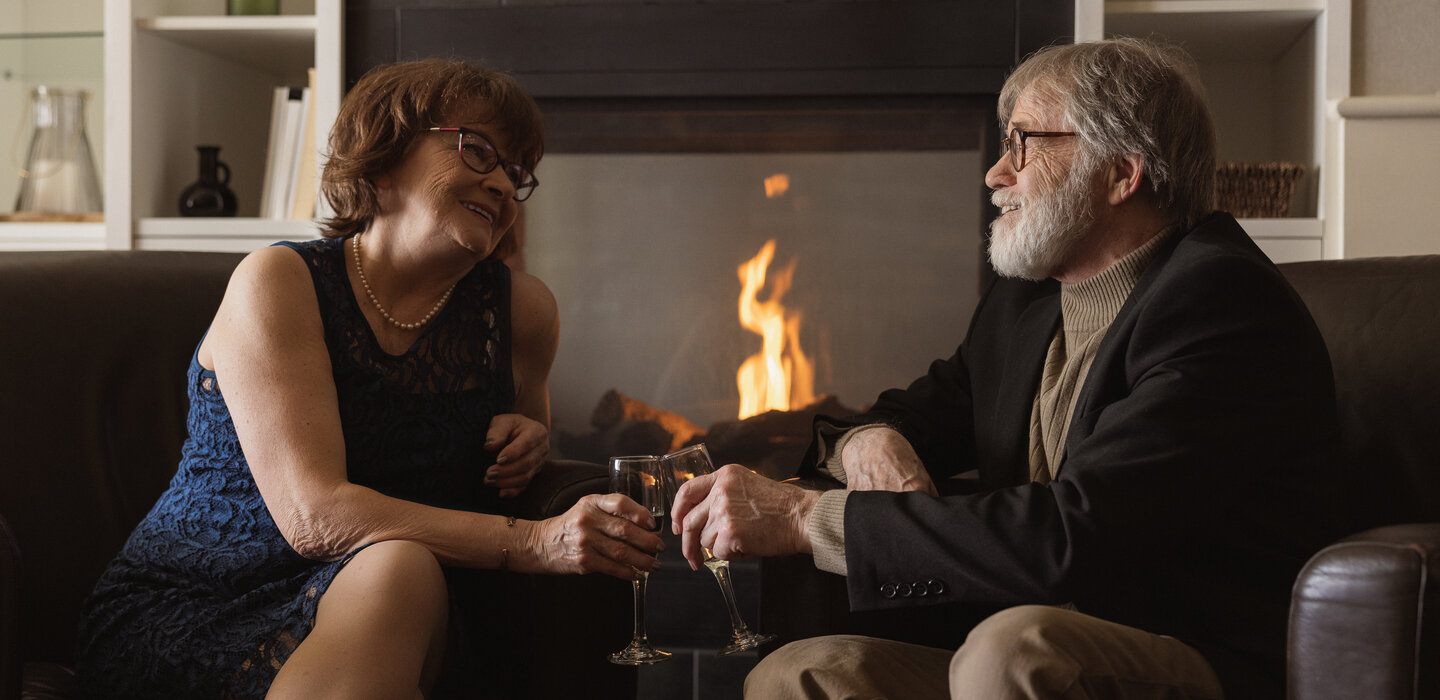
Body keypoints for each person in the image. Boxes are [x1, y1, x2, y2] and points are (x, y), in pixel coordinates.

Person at [671, 38, 1340, 700]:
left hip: (1190, 653)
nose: (996, 173)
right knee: (798, 674)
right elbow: (908, 412)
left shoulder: (1221, 302)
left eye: (1023, 142)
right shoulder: (1024, 306)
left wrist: (801, 518)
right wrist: (868, 441)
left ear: (1121, 173)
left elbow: (1074, 534)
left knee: (1009, 651)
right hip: (1017, 642)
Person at [75, 59, 664, 699]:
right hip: (195, 607)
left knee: (399, 568)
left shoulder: (522, 314)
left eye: (515, 172)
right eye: (477, 150)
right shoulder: (277, 283)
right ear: (381, 158)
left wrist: (529, 439)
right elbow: (316, 517)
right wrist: (537, 542)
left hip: (386, 608)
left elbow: (517, 474)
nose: (500, 182)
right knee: (398, 563)